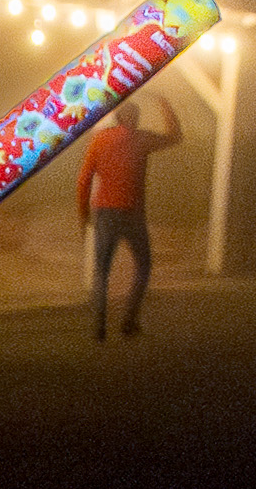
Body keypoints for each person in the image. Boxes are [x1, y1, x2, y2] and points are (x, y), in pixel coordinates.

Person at [76, 92, 184, 338]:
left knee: (102, 270)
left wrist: (83, 214)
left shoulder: (100, 140)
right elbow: (175, 136)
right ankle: (129, 321)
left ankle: (99, 327)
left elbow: (84, 179)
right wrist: (164, 102)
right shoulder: (140, 139)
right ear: (134, 118)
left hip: (105, 212)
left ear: (117, 118)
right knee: (144, 265)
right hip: (132, 213)